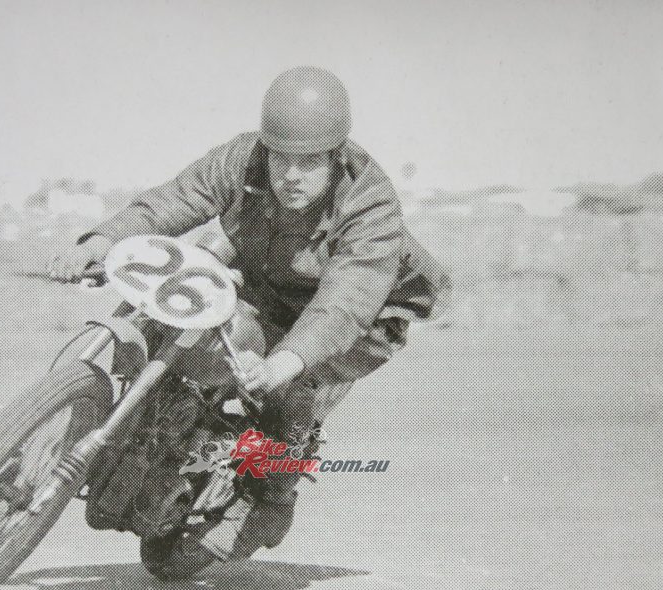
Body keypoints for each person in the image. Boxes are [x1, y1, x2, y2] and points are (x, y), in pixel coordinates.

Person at [50, 66, 450, 560]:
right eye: (280, 157)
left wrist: (283, 362)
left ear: (337, 155)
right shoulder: (243, 159)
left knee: (288, 387)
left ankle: (271, 500)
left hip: (367, 313)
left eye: (308, 162)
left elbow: (344, 304)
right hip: (272, 280)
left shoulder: (371, 206)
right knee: (179, 313)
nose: (290, 175)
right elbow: (176, 200)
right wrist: (104, 239)